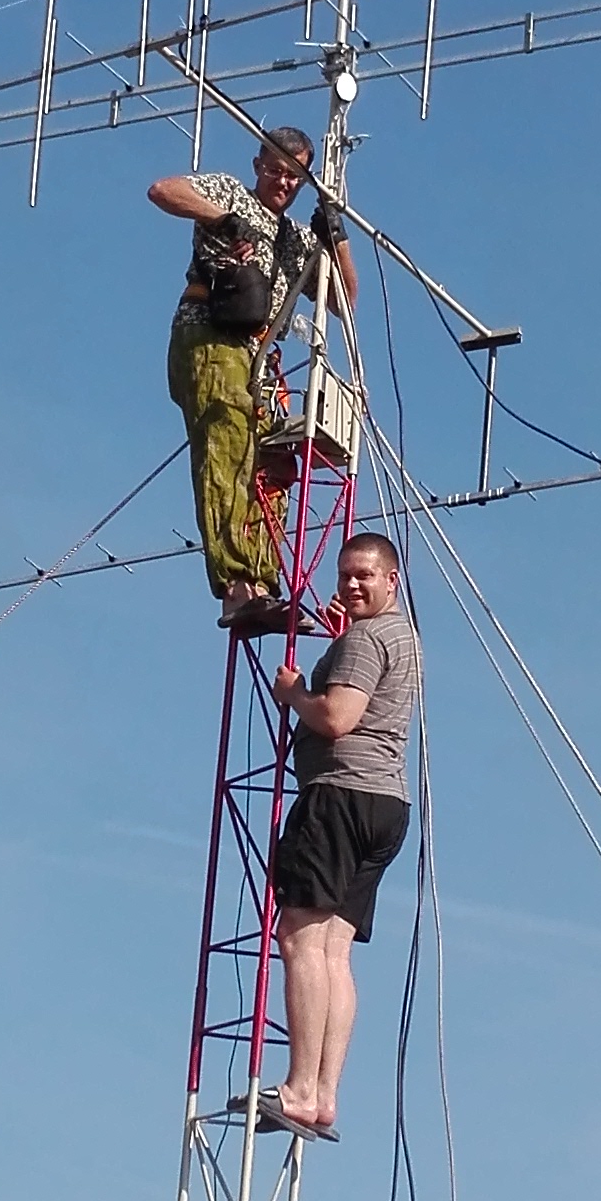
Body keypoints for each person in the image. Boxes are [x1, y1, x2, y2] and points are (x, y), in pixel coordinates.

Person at [149, 130, 358, 629]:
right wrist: (221, 219)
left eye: (294, 175)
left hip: (261, 359)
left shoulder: (297, 241)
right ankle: (237, 588)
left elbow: (344, 301)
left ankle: (262, 584)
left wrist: (337, 238)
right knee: (228, 449)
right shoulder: (230, 193)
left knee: (273, 465)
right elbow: (163, 190)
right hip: (213, 336)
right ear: (258, 165)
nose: (283, 181)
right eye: (276, 169)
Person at [261, 531, 421, 1136]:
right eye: (345, 574)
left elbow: (337, 718)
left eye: (364, 575)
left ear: (391, 580)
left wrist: (295, 693)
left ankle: (300, 1087)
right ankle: (323, 1094)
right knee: (333, 949)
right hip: (385, 803)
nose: (352, 584)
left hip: (340, 796)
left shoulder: (365, 639)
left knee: (299, 937)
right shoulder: (399, 637)